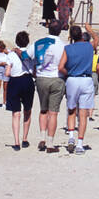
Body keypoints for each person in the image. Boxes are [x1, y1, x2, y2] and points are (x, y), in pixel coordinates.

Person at [58, 24, 96, 154]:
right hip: (86, 79)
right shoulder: (88, 46)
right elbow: (97, 40)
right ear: (81, 35)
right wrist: (89, 29)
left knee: (71, 110)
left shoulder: (67, 48)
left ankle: (71, 137)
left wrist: (68, 72)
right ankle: (80, 144)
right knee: (83, 113)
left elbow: (61, 67)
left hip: (73, 79)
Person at [32, 25, 65, 154]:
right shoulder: (63, 45)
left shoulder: (39, 42)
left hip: (41, 78)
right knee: (53, 113)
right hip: (57, 78)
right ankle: (50, 143)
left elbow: (27, 55)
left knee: (43, 110)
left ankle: (42, 138)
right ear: (60, 31)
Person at [4, 30, 36, 150]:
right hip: (27, 81)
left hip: (15, 82)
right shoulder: (29, 55)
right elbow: (34, 71)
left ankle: (16, 142)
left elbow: (7, 73)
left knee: (16, 113)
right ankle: (25, 139)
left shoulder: (11, 55)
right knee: (27, 110)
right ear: (27, 42)